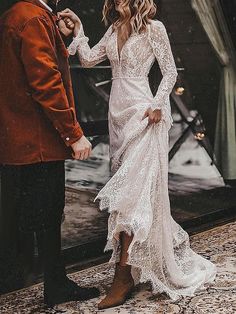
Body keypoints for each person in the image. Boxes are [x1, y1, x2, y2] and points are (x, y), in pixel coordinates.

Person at [59, 0, 217, 310]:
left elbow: (169, 72)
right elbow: (89, 60)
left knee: (131, 195)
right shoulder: (114, 28)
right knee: (128, 196)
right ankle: (132, 266)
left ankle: (123, 276)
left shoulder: (153, 29)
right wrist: (78, 31)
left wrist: (158, 104)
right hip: (117, 116)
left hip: (144, 115)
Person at [0, 0, 99, 306]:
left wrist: (61, 35)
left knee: (23, 213)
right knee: (48, 212)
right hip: (39, 139)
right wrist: (74, 134)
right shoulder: (33, 18)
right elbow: (46, 82)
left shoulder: (18, 14)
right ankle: (55, 286)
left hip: (18, 136)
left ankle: (23, 280)